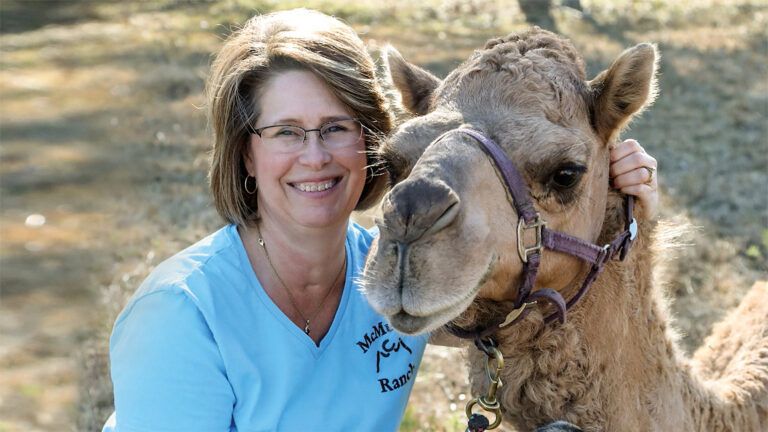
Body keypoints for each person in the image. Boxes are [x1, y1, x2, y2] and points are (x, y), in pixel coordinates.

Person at [102, 8, 660, 432]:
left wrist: (630, 213)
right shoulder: (180, 318)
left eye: (336, 128)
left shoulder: (396, 275)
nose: (315, 156)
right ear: (246, 153)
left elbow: (552, 296)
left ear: (371, 142)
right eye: (286, 132)